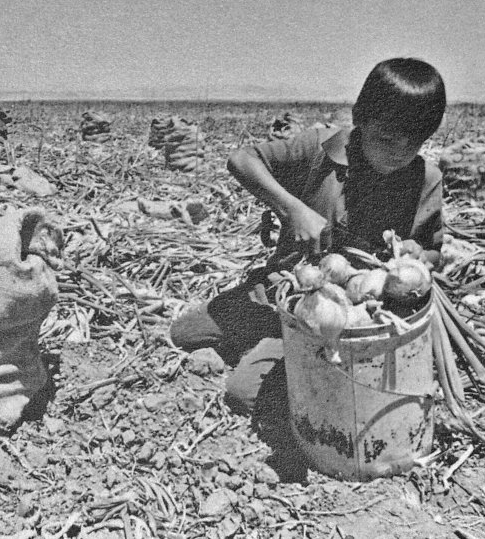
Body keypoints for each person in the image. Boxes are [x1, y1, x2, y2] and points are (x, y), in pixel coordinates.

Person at [170, 58, 446, 417]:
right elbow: (242, 160)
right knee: (185, 334)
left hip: (356, 321)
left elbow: (432, 253)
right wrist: (293, 209)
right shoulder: (320, 146)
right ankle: (275, 341)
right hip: (283, 293)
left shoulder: (425, 179)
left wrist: (414, 255)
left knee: (244, 394)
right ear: (360, 118)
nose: (398, 152)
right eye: (386, 139)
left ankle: (302, 361)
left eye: (412, 144)